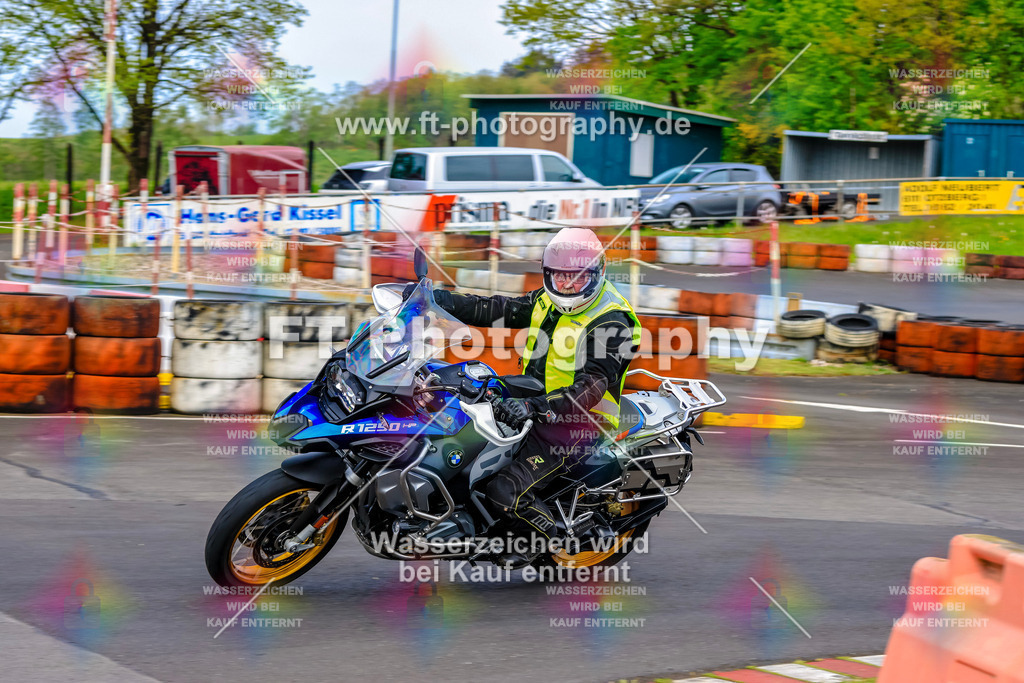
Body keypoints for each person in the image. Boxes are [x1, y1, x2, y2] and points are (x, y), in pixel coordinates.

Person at [423, 227, 641, 552]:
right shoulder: (546, 300)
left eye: (577, 278)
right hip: (532, 401)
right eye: (559, 276)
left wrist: (535, 407)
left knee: (504, 491)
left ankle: (559, 540)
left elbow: (592, 386)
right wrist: (436, 299)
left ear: (597, 274)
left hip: (574, 426)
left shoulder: (611, 322)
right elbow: (497, 308)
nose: (566, 285)